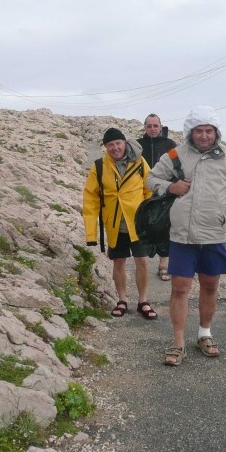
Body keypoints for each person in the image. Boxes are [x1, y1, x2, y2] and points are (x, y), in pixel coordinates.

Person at [147, 106, 226, 366]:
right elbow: (151, 179)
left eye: (209, 131)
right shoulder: (175, 154)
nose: (204, 136)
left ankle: (205, 334)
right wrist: (170, 186)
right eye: (199, 131)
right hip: (182, 235)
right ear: (190, 132)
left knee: (210, 287)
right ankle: (178, 342)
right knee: (180, 288)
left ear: (216, 131)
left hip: (213, 235)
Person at [83, 127, 158, 320]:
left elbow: (149, 190)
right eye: (110, 144)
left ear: (125, 143)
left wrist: (150, 219)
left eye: (118, 143)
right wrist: (91, 234)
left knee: (142, 261)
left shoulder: (139, 162)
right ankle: (122, 300)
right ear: (105, 147)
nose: (115, 147)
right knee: (119, 262)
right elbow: (90, 200)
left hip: (138, 223)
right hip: (115, 224)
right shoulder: (99, 167)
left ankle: (143, 301)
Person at [137, 113, 177, 281]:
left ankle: (163, 264)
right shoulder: (138, 145)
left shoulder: (170, 145)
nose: (152, 129)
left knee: (164, 227)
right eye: (149, 126)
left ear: (161, 127)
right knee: (142, 223)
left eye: (155, 126)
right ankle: (142, 262)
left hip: (163, 191)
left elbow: (177, 165)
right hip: (141, 190)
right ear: (145, 127)